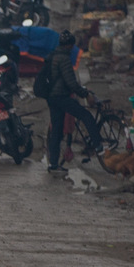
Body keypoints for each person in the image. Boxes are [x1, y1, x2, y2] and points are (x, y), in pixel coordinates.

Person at [43, 30, 101, 171]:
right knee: (85, 115)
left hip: (52, 97)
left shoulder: (52, 56)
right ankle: (98, 144)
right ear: (69, 45)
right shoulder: (64, 59)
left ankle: (53, 164)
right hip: (62, 97)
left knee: (56, 130)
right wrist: (85, 94)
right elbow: (71, 83)